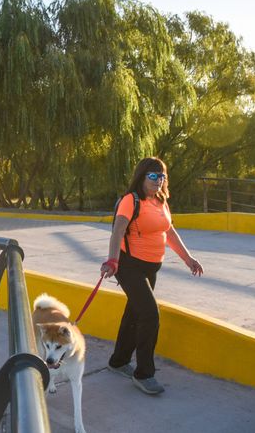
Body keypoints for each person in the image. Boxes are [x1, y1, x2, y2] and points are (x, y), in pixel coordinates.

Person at [100, 157, 203, 395]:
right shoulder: (130, 200)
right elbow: (117, 231)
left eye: (163, 176)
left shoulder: (160, 201)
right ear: (142, 176)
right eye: (154, 176)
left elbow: (170, 232)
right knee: (149, 315)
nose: (159, 181)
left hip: (151, 267)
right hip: (129, 266)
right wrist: (112, 260)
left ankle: (118, 361)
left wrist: (188, 259)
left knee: (135, 313)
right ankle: (144, 373)